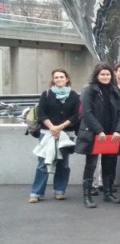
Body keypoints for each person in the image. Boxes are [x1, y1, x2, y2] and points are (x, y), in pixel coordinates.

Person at [75, 63, 120, 208]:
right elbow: (87, 113)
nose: (105, 77)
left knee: (109, 163)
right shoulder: (89, 90)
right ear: (97, 75)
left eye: (108, 74)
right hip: (94, 133)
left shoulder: (114, 89)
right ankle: (87, 196)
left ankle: (108, 193)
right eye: (102, 74)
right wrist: (99, 130)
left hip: (111, 133)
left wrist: (118, 130)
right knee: (91, 165)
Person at [29, 69, 80, 203]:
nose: (59, 79)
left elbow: (76, 115)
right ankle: (36, 193)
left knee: (63, 164)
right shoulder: (46, 94)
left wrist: (60, 127)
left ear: (67, 79)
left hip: (65, 134)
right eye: (56, 77)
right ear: (53, 80)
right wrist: (52, 128)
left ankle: (59, 191)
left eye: (61, 77)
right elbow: (41, 113)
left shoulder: (74, 96)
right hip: (47, 133)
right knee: (42, 163)